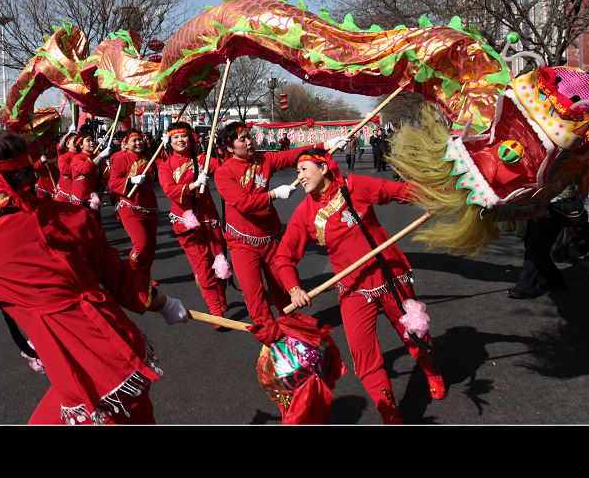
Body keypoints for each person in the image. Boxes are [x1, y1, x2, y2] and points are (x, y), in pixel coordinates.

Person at [0, 130, 188, 424]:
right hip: (122, 351)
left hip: (92, 377)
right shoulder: (73, 215)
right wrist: (165, 304)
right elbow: (118, 276)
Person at [273, 147, 446, 424]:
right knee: (363, 356)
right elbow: (283, 257)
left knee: (413, 335)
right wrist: (294, 288)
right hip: (353, 288)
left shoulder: (356, 186)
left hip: (389, 275)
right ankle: (390, 415)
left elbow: (400, 191)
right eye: (297, 173)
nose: (300, 178)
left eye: (304, 170)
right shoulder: (305, 212)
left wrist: (442, 194)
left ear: (324, 168)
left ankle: (431, 370)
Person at [213, 121, 345, 327]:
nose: (249, 142)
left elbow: (292, 155)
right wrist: (275, 194)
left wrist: (326, 145)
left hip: (271, 236)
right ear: (230, 148)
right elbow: (244, 203)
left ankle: (293, 330)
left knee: (284, 288)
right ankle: (270, 339)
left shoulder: (264, 159)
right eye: (242, 140)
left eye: (249, 137)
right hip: (242, 241)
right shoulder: (224, 172)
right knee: (254, 296)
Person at [156, 121, 230, 322]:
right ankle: (216, 313)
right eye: (175, 138)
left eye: (184, 136)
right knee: (202, 265)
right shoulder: (165, 165)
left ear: (191, 138)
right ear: (170, 142)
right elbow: (169, 190)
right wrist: (193, 185)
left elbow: (226, 169)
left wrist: (220, 148)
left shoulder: (203, 160)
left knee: (220, 261)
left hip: (209, 218)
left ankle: (221, 297)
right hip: (185, 221)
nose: (180, 140)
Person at [108, 128, 159, 278]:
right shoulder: (121, 159)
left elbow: (164, 164)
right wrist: (130, 181)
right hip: (129, 207)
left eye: (139, 139)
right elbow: (113, 182)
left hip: (149, 206)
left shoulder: (149, 156)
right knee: (141, 245)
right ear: (126, 143)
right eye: (134, 141)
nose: (138, 143)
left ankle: (145, 279)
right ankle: (133, 273)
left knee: (151, 247)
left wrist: (165, 144)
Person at [69, 131, 111, 222]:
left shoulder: (96, 157)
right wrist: (99, 157)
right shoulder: (77, 158)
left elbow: (105, 175)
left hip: (94, 200)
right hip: (80, 201)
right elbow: (85, 170)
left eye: (92, 140)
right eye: (88, 141)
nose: (91, 142)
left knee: (96, 228)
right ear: (81, 145)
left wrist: (109, 167)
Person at [54, 129, 79, 204]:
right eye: (74, 142)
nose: (76, 144)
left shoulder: (82, 155)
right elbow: (65, 170)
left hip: (79, 191)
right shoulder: (64, 156)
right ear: (67, 144)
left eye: (78, 142)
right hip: (66, 191)